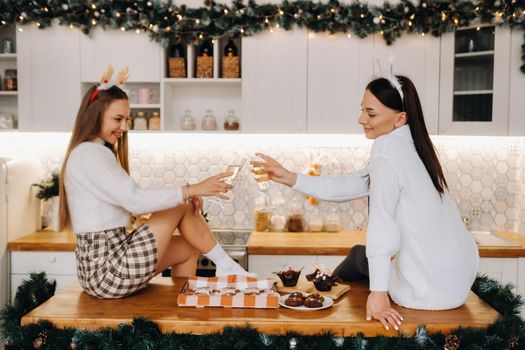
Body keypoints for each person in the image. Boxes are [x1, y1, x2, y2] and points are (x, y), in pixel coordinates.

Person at [252, 75, 479, 330]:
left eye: (370, 114)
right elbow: (355, 183)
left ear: (399, 118)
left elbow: (383, 227)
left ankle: (331, 283)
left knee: (358, 257)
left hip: (424, 292)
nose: (362, 120)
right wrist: (290, 177)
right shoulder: (412, 147)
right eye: (362, 110)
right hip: (455, 286)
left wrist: (379, 295)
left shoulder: (385, 149)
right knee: (359, 256)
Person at [59, 67, 255, 299]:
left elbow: (129, 200)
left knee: (188, 247)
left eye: (127, 119)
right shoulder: (89, 154)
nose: (124, 127)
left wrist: (187, 193)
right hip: (107, 273)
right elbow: (135, 199)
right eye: (118, 119)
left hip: (107, 268)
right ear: (95, 115)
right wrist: (192, 189)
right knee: (181, 203)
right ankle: (227, 266)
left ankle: (181, 303)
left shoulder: (92, 152)